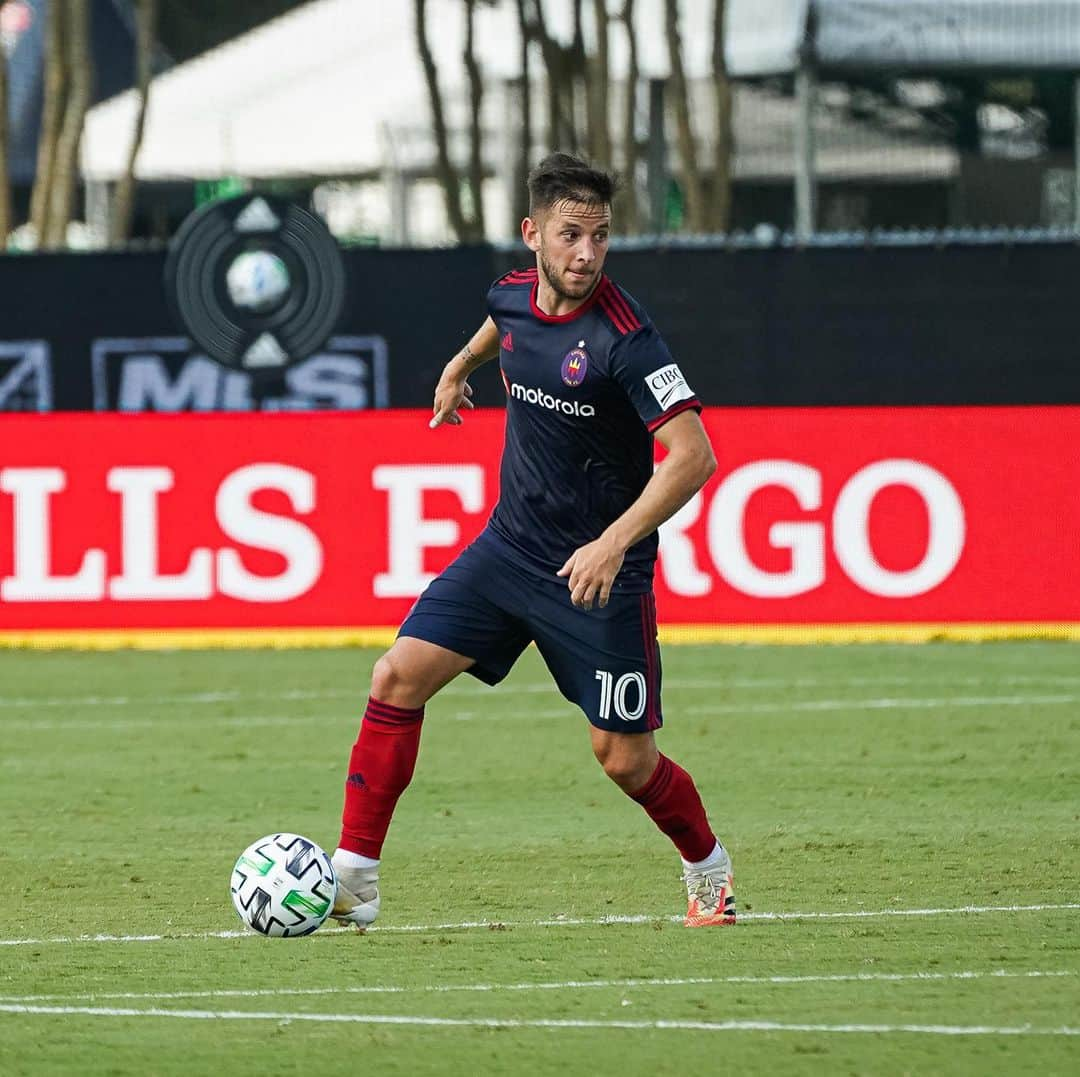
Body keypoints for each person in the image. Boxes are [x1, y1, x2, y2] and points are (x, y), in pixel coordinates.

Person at [331, 152, 734, 930]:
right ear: (533, 235)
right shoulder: (511, 296)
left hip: (597, 577)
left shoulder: (627, 338)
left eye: (601, 237)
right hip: (509, 551)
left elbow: (695, 456)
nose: (587, 254)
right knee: (395, 677)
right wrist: (457, 369)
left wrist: (614, 542)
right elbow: (502, 327)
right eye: (570, 234)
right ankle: (356, 877)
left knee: (624, 758)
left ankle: (707, 865)